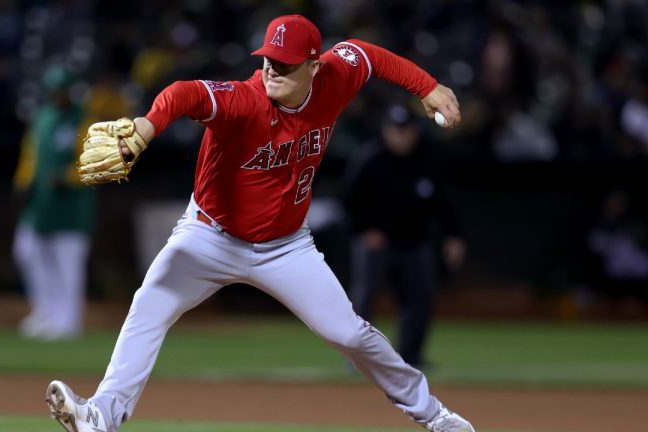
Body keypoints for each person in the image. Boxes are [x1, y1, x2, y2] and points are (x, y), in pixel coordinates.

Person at [46, 15, 473, 432]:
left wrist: (428, 86)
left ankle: (434, 415)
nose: (272, 68)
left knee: (350, 335)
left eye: (286, 62)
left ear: (314, 66)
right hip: (209, 236)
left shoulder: (337, 77)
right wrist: (146, 125)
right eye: (269, 57)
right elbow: (184, 93)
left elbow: (369, 54)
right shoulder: (244, 99)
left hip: (286, 248)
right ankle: (101, 416)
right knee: (149, 306)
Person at [343, 103, 466, 368]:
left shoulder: (427, 160)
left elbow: (444, 203)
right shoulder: (370, 159)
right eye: (396, 130)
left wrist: (454, 235)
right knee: (363, 299)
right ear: (386, 131)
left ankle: (410, 357)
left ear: (415, 131)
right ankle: (357, 358)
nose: (401, 136)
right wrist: (365, 230)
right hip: (375, 244)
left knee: (420, 300)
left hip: (413, 242)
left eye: (406, 130)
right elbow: (350, 201)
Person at [12, 65, 96, 340]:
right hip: (41, 204)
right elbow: (30, 153)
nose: (58, 95)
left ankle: (68, 320)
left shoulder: (84, 119)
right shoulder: (43, 117)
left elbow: (95, 162)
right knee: (27, 250)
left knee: (67, 264)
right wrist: (22, 181)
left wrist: (67, 177)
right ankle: (45, 311)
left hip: (72, 207)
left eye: (62, 90)